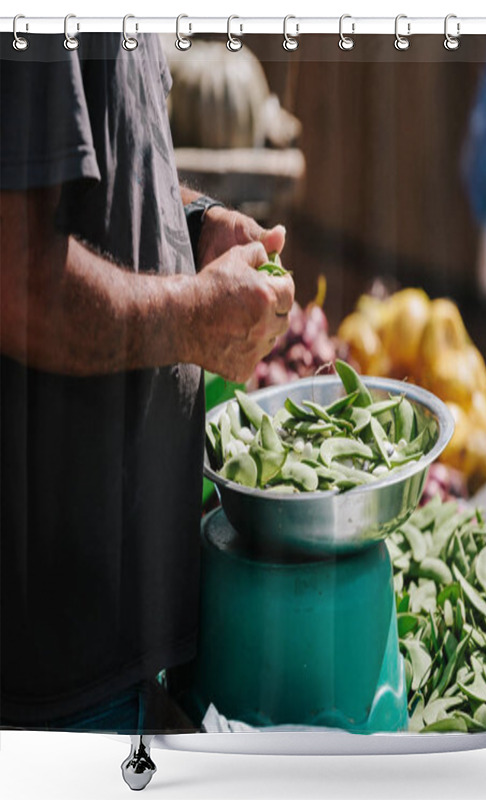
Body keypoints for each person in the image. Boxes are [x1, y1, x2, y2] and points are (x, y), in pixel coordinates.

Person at [0, 33, 294, 732]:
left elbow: (110, 169)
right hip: (52, 653)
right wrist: (190, 319)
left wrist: (196, 224)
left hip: (122, 611)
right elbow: (15, 280)